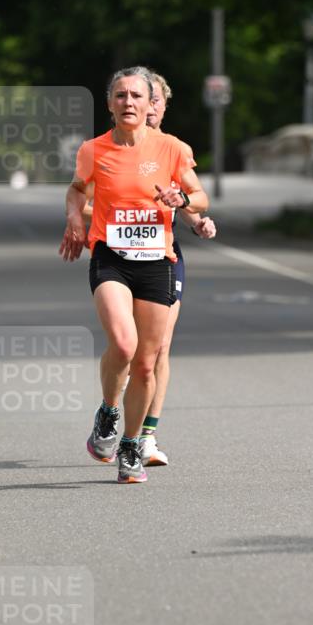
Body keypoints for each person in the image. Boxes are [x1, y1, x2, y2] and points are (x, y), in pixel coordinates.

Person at [59, 66, 209, 483]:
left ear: (150, 105)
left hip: (157, 261)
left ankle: (130, 446)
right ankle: (108, 412)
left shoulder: (172, 149)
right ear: (109, 104)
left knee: (146, 363)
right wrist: (74, 219)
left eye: (136, 97)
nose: (129, 102)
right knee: (123, 345)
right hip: (111, 257)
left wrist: (183, 199)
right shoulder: (94, 150)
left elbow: (199, 196)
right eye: (120, 96)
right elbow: (76, 189)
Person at [139, 71, 216, 466]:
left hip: (165, 254)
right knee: (130, 349)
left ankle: (147, 437)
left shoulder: (172, 150)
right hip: (121, 260)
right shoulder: (115, 147)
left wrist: (196, 220)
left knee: (160, 347)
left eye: (156, 101)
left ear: (164, 106)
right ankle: (111, 411)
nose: (148, 108)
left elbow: (184, 200)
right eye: (142, 99)